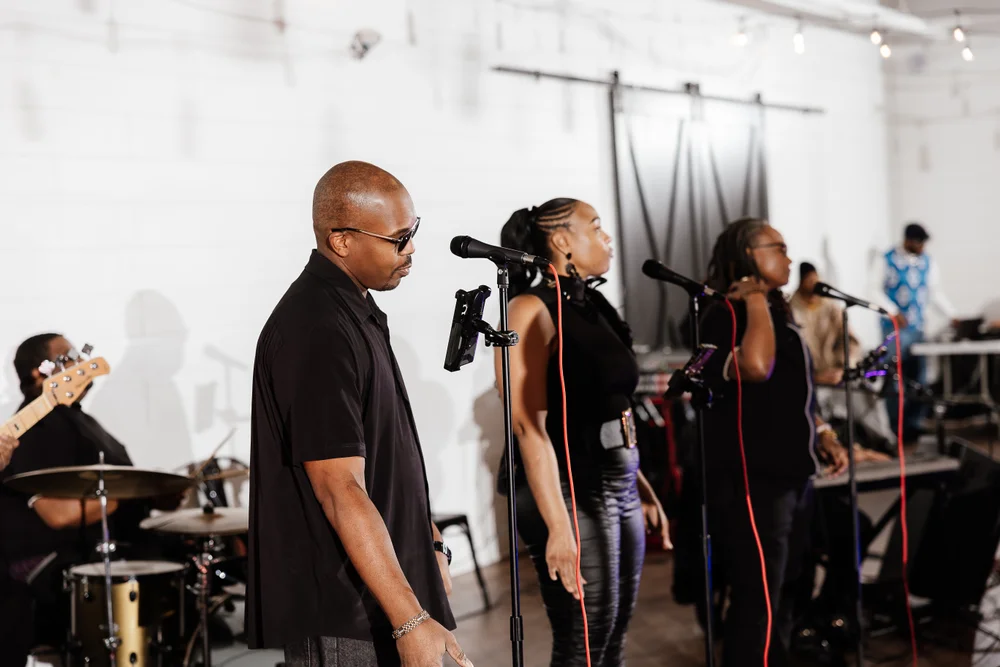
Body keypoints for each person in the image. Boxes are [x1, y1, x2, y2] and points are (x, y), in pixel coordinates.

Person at [248, 161, 468, 667]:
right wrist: (410, 619)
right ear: (342, 239)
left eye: (413, 232)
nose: (411, 248)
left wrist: (430, 540)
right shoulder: (316, 328)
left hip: (385, 599)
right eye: (398, 238)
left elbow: (389, 458)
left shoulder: (352, 310)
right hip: (350, 618)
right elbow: (338, 487)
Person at [497, 198, 671, 667]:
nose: (607, 237)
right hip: (569, 492)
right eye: (595, 227)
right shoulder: (529, 309)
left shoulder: (592, 304)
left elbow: (612, 408)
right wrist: (558, 526)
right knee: (584, 641)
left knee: (611, 635)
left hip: (619, 480)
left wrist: (641, 484)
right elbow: (527, 425)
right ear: (561, 241)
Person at [699, 218, 850, 667]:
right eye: (776, 248)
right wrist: (754, 300)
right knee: (758, 596)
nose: (787, 257)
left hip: (792, 475)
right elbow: (756, 367)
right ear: (747, 256)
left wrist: (822, 432)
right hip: (755, 483)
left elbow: (788, 388)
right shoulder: (723, 313)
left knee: (788, 585)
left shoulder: (774, 310)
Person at [0, 333, 178, 661]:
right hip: (53, 560)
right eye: (68, 355)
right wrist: (121, 497)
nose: (80, 360)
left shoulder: (82, 421)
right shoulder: (35, 429)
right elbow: (59, 515)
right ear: (40, 373)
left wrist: (158, 493)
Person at [791, 262, 895, 455]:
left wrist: (844, 368)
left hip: (837, 374)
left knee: (867, 393)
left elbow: (851, 341)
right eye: (809, 280)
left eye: (817, 279)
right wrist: (815, 376)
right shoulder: (790, 309)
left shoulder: (831, 307)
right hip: (809, 380)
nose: (814, 284)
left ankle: (883, 442)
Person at [869, 223, 958, 441]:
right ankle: (893, 428)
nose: (922, 247)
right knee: (894, 378)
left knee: (919, 379)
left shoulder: (928, 262)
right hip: (894, 329)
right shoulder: (886, 259)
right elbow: (873, 289)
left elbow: (934, 293)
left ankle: (913, 425)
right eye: (919, 243)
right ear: (908, 240)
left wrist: (952, 315)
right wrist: (893, 311)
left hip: (918, 329)